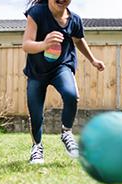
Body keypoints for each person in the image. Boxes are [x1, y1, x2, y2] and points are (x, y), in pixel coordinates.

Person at [22, 0, 105, 164]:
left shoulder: (74, 20)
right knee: (35, 114)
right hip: (37, 72)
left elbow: (79, 40)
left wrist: (93, 60)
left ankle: (66, 132)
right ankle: (37, 147)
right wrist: (44, 44)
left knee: (71, 95)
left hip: (62, 66)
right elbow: (26, 44)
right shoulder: (37, 12)